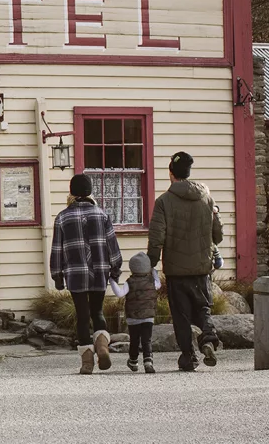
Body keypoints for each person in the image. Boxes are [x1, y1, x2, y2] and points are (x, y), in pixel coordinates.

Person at [147, 152, 223, 372]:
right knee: (203, 308)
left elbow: (156, 238)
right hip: (202, 267)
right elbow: (217, 235)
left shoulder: (163, 202)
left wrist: (150, 263)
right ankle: (208, 337)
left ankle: (189, 358)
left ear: (171, 173)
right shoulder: (206, 198)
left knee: (181, 316)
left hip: (176, 270)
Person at [50, 174, 123, 375]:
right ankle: (102, 345)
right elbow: (113, 247)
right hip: (99, 272)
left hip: (75, 274)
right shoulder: (102, 215)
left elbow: (57, 249)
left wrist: (57, 276)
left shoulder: (62, 217)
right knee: (97, 312)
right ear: (90, 192)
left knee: (82, 315)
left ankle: (87, 361)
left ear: (72, 193)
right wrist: (115, 270)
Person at [110, 252, 160, 374]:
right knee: (147, 340)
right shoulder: (152, 281)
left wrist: (111, 280)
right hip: (148, 317)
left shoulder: (130, 281)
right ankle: (148, 361)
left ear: (132, 268)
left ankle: (133, 361)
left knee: (134, 340)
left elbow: (120, 293)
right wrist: (154, 272)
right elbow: (158, 284)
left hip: (133, 318)